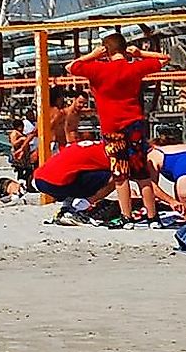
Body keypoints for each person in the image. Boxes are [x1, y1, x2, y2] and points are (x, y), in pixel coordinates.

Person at [70, 29, 167, 223]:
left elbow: (71, 67)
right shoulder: (134, 68)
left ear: (106, 51)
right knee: (141, 173)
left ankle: (126, 216)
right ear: (124, 49)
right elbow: (165, 58)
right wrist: (140, 54)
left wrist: (92, 55)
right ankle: (152, 216)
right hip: (134, 125)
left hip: (111, 128)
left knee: (119, 174)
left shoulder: (98, 69)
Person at [30, 138, 116, 214]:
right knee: (117, 176)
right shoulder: (114, 154)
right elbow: (121, 177)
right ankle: (83, 205)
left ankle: (68, 203)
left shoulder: (94, 145)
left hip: (38, 179)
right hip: (58, 183)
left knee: (76, 172)